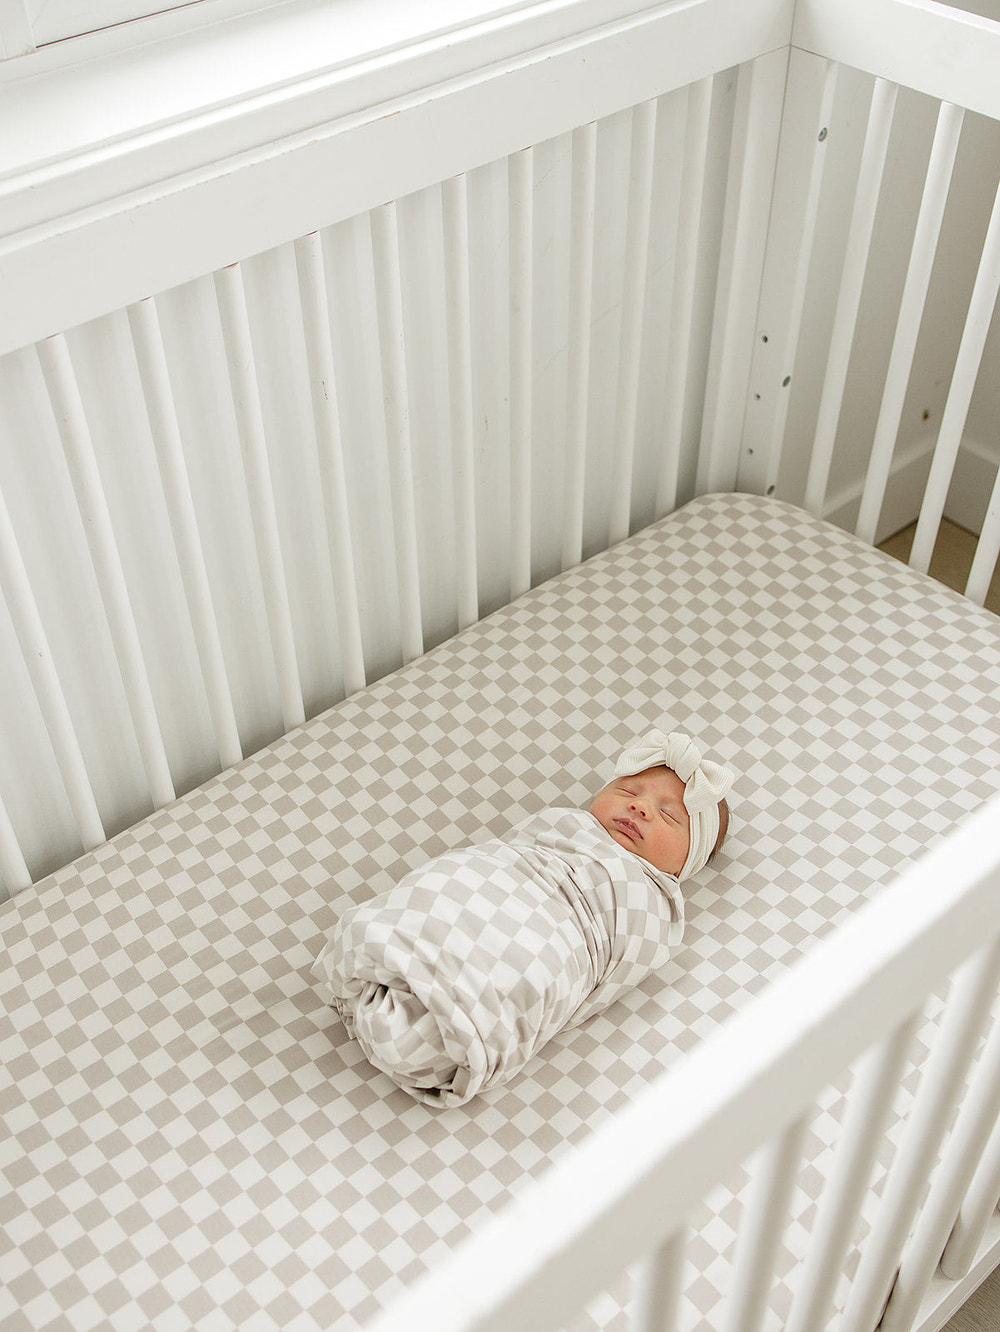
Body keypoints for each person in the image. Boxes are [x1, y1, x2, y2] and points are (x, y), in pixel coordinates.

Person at [314, 728, 734, 1106]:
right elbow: (506, 853)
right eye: (628, 791)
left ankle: (455, 1014)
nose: (640, 807)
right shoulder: (568, 824)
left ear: (683, 866)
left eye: (668, 815)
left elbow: (607, 976)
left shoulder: (657, 907)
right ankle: (397, 943)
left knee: (522, 967)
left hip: (563, 934)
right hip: (502, 879)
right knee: (450, 887)